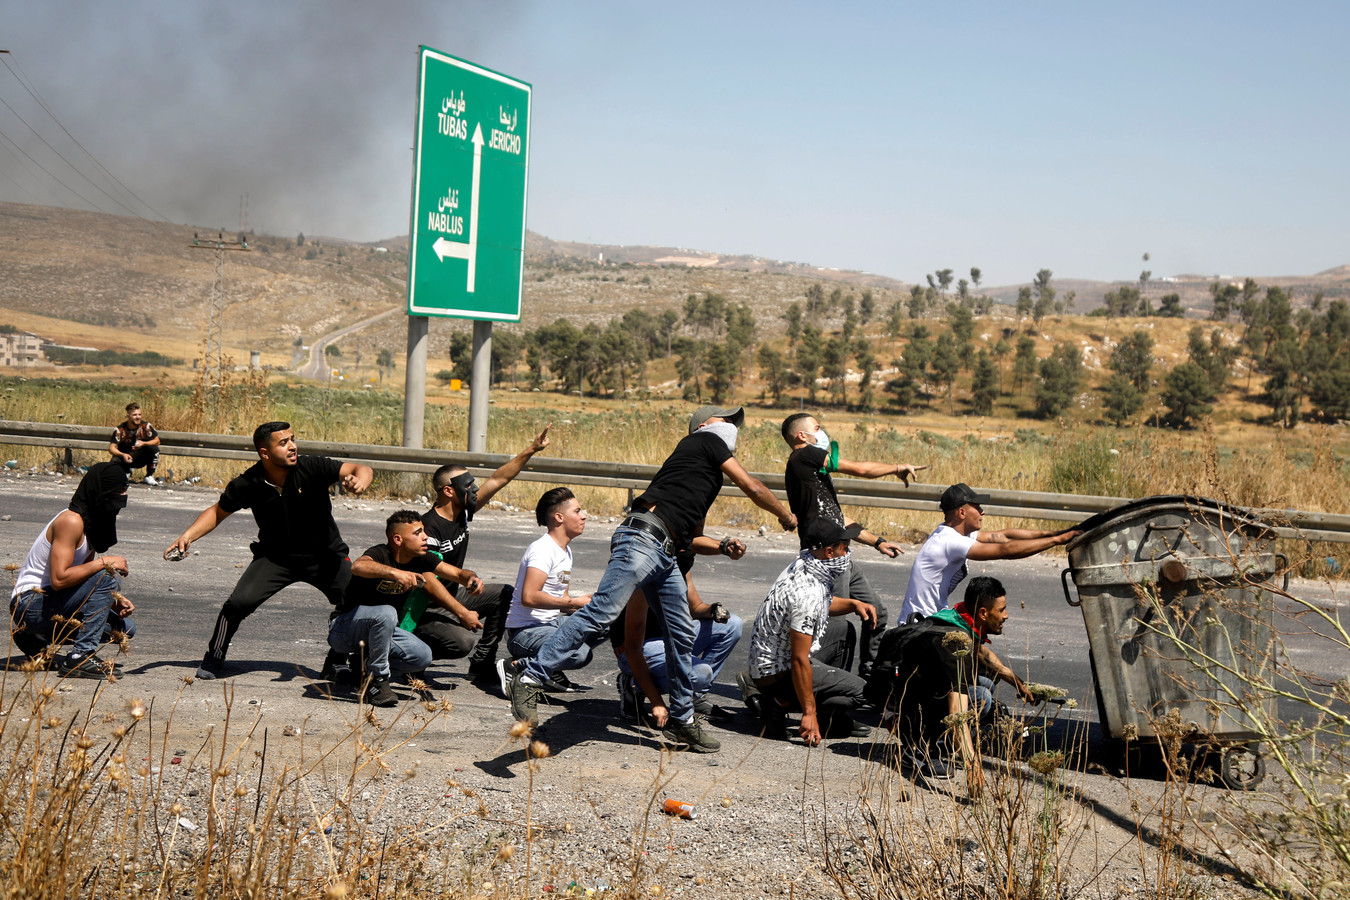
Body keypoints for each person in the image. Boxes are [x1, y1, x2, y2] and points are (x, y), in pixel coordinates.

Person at [504, 405, 798, 755]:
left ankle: (683, 719)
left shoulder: (703, 476)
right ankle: (530, 676)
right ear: (704, 426)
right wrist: (784, 514)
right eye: (728, 420)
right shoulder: (703, 440)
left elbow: (692, 538)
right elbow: (750, 485)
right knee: (601, 611)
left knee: (681, 633)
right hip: (642, 539)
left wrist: (721, 546)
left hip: (666, 552)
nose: (734, 426)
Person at [164, 421, 373, 680]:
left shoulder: (312, 467)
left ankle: (337, 659)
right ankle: (214, 656)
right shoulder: (248, 482)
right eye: (283, 443)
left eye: (293, 439)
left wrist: (360, 482)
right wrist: (188, 536)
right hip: (276, 559)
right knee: (237, 604)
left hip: (325, 556)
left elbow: (359, 468)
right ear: (265, 453)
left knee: (358, 601)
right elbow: (218, 511)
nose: (293, 446)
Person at [780, 412, 926, 677]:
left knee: (876, 613)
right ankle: (830, 685)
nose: (821, 432)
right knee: (837, 625)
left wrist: (878, 542)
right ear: (802, 435)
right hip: (826, 557)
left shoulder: (811, 475)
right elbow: (860, 469)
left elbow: (839, 519)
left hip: (840, 553)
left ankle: (870, 673)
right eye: (817, 427)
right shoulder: (805, 455)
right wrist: (896, 468)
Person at [416, 425, 551, 681]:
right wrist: (461, 612)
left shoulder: (463, 512)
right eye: (468, 485)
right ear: (448, 491)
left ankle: (482, 661)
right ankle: (412, 656)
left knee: (504, 594)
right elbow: (429, 581)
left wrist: (532, 449)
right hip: (426, 607)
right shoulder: (426, 527)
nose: (475, 489)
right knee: (462, 642)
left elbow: (499, 479)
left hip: (453, 594)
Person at [869, 576, 1023, 794]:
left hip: (918, 691)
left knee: (986, 682)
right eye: (1002, 610)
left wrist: (1018, 683)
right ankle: (921, 748)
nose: (1006, 615)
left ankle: (938, 739)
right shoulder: (955, 645)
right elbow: (957, 713)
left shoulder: (959, 619)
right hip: (902, 707)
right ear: (983, 613)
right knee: (981, 697)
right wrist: (972, 766)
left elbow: (984, 655)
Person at [329, 510, 484, 706]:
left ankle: (363, 667)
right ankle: (377, 682)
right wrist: (395, 573)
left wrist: (471, 579)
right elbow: (358, 566)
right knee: (386, 612)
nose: (425, 536)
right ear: (398, 539)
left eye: (424, 532)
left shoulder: (421, 559)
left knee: (422, 657)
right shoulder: (380, 553)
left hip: (381, 633)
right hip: (344, 629)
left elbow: (458, 573)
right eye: (418, 533)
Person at [743, 519, 877, 745]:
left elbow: (821, 604)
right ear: (829, 552)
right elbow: (799, 659)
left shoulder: (807, 561)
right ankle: (778, 701)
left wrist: (853, 604)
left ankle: (830, 715)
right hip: (777, 672)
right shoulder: (807, 593)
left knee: (844, 630)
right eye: (844, 547)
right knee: (864, 692)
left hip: (771, 661)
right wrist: (809, 713)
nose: (847, 553)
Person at [9, 462, 136, 677]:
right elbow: (59, 579)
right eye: (117, 490)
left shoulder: (92, 523)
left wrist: (113, 601)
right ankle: (81, 657)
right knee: (105, 575)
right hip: (30, 603)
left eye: (125, 489)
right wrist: (105, 562)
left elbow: (82, 576)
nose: (122, 496)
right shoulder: (70, 521)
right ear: (100, 490)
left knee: (125, 629)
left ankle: (32, 638)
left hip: (54, 601)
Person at [612, 533, 746, 725]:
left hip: (668, 635)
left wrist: (713, 610)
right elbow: (632, 646)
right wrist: (656, 702)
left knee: (733, 624)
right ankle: (633, 685)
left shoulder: (679, 565)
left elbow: (695, 607)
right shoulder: (645, 570)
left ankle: (695, 696)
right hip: (637, 647)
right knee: (700, 672)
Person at [898, 483, 1079, 624]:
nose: (982, 511)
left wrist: (1055, 533)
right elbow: (1005, 550)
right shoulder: (949, 541)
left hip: (927, 620)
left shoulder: (952, 533)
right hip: (918, 626)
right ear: (962, 512)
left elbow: (1002, 536)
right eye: (977, 506)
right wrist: (1057, 541)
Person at [495, 487, 604, 693]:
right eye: (578, 511)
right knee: (580, 654)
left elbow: (560, 600)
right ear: (559, 517)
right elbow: (529, 597)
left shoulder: (565, 550)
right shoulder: (542, 549)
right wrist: (573, 603)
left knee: (606, 620)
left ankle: (548, 669)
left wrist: (590, 605)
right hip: (525, 632)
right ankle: (518, 666)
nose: (584, 516)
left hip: (551, 624)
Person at [110, 402, 162, 485]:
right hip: (126, 458)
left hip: (140, 458)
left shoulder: (146, 426)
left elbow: (157, 441)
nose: (138, 417)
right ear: (128, 415)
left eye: (139, 414)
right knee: (115, 460)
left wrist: (144, 443)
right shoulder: (120, 430)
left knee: (154, 448)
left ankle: (149, 475)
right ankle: (124, 474)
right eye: (134, 415)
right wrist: (122, 455)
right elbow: (112, 448)